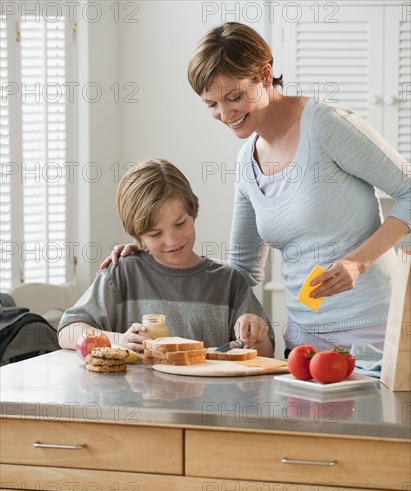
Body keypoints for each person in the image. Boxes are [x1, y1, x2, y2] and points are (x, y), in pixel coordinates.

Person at [100, 22, 410, 352]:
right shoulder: (246, 163)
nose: (225, 114)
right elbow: (242, 269)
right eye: (212, 104)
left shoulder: (324, 124)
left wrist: (356, 263)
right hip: (303, 338)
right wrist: (152, 256)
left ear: (265, 75)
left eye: (234, 97)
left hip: (375, 328)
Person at [59, 158, 274, 357]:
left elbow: (266, 354)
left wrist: (255, 333)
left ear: (193, 212)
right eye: (155, 234)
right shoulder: (122, 274)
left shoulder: (228, 282)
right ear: (138, 236)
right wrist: (119, 340)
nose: (172, 240)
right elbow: (67, 331)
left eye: (180, 223)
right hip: (133, 399)